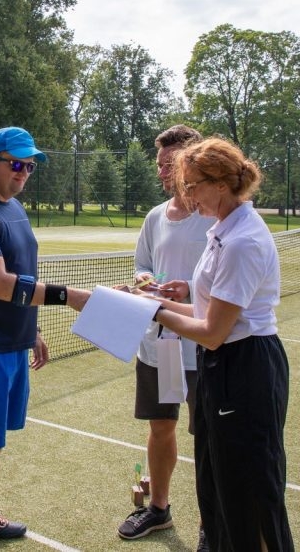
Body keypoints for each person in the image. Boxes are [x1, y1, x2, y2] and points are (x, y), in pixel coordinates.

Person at [147, 136, 294, 551]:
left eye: (193, 185)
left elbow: (214, 330)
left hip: (245, 366)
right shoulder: (222, 230)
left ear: (222, 184)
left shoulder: (242, 240)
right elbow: (211, 312)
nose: (188, 195)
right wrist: (163, 300)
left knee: (251, 486)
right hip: (222, 364)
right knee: (220, 480)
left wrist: (153, 312)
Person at [0, 126, 86, 552]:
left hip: (12, 341)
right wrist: (70, 297)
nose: (24, 173)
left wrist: (33, 329)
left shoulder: (14, 208)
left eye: (30, 166)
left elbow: (24, 271)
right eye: (17, 164)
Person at [117, 126, 216, 547]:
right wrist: (144, 278)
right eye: (159, 165)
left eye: (170, 164)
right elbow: (143, 263)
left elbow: (224, 284)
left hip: (206, 346)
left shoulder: (215, 217)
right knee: (161, 428)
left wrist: (189, 291)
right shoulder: (155, 216)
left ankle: (212, 525)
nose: (163, 172)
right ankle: (158, 508)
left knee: (211, 441)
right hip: (157, 346)